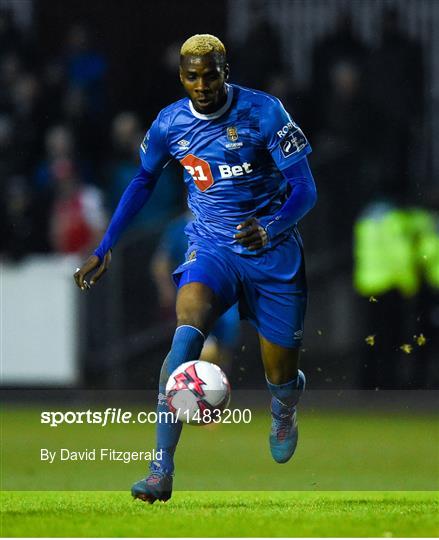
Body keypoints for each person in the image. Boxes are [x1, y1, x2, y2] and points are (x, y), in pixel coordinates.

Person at [74, 34, 317, 503]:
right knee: (186, 333)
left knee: (280, 373)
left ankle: (285, 404)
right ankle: (160, 470)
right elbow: (144, 179)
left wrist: (270, 227)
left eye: (210, 74)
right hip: (211, 247)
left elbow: (305, 189)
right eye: (191, 75)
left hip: (274, 254)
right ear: (180, 75)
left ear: (225, 70)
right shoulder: (170, 123)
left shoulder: (266, 113)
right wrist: (105, 246)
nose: (201, 84)